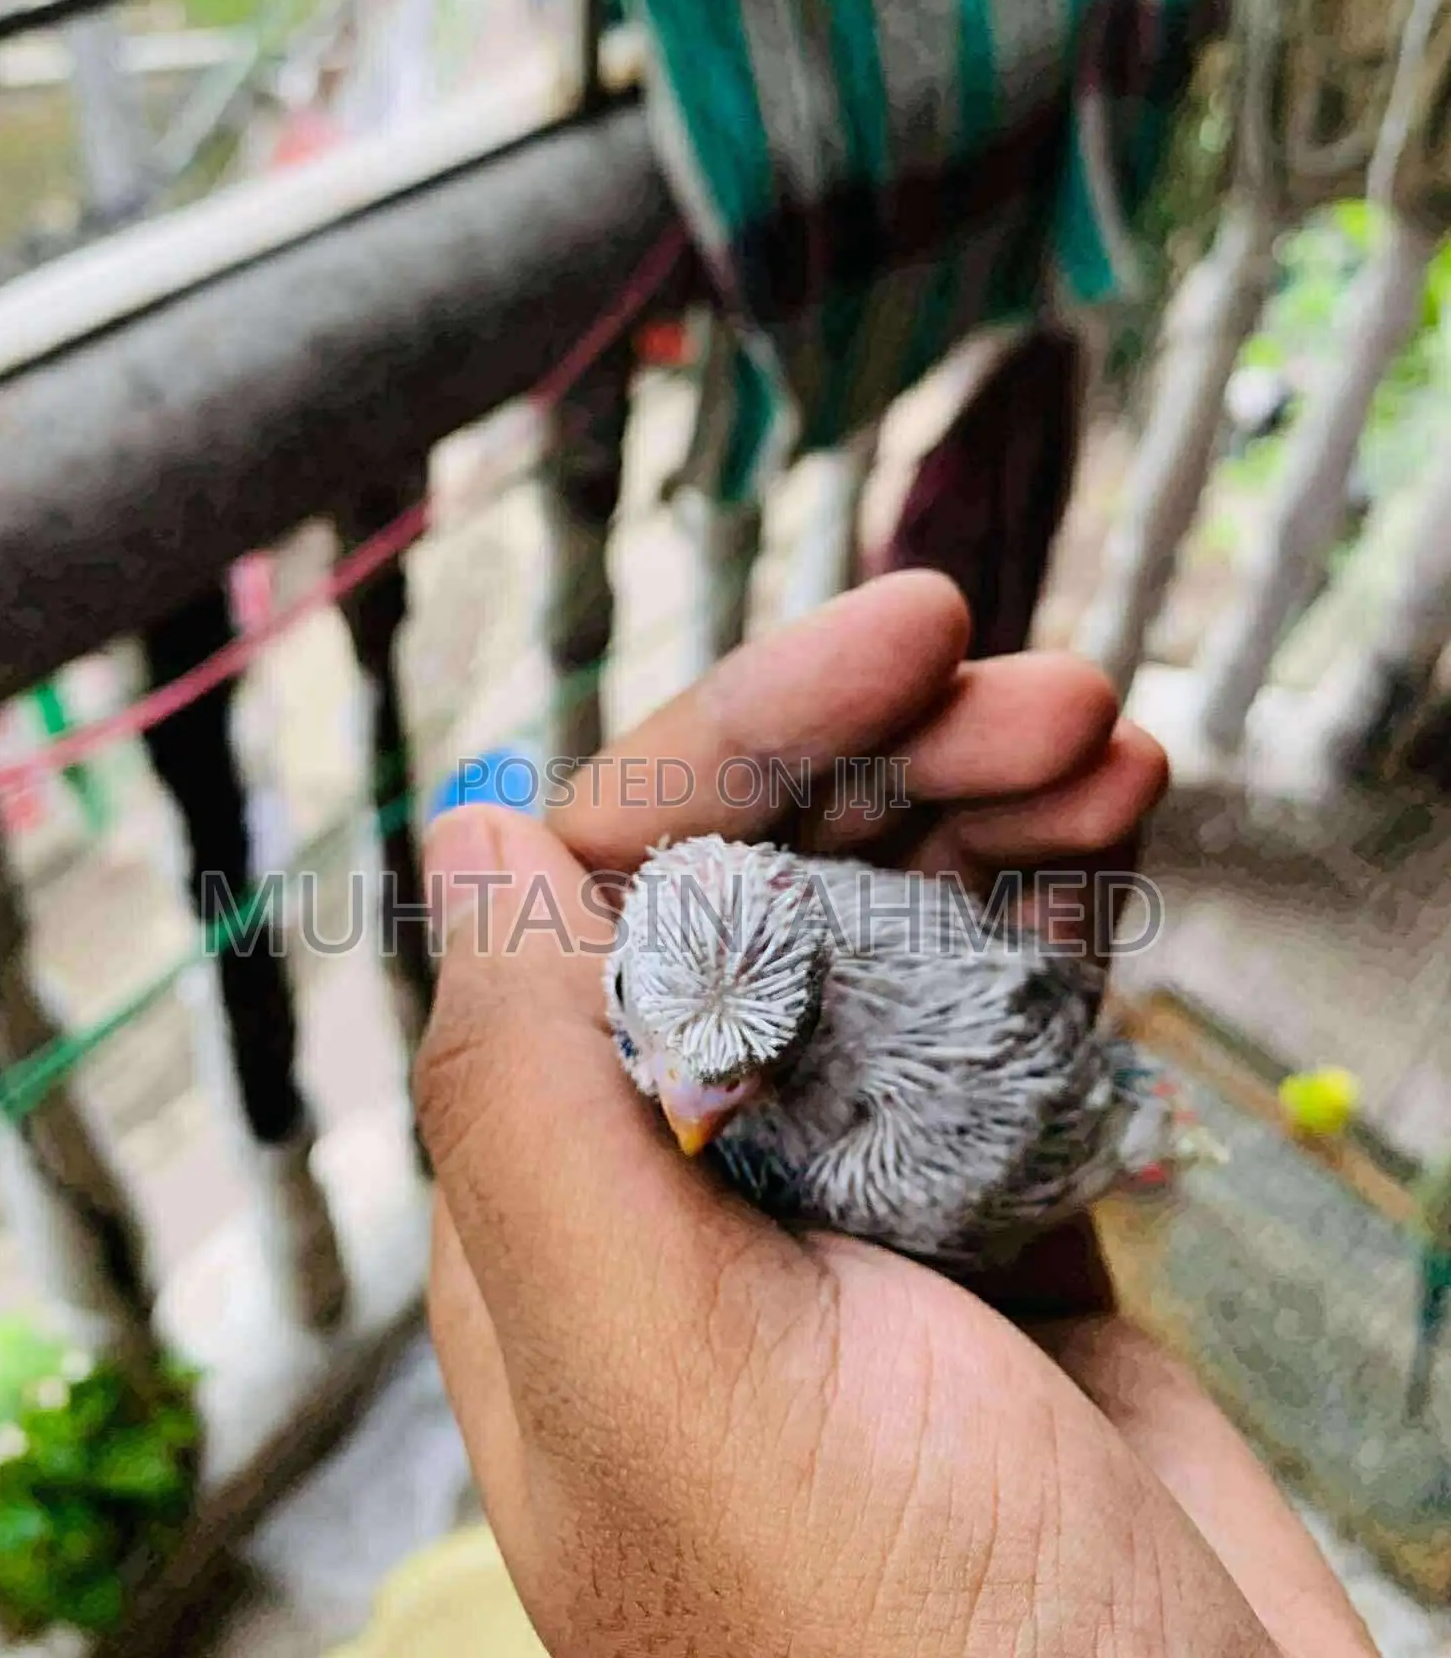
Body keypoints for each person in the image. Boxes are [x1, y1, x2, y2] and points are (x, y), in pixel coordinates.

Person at [415, 573, 1375, 1658]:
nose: (694, 1112)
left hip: (1049, 1097)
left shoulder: (884, 1163)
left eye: (743, 1074)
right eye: (666, 1044)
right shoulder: (784, 892)